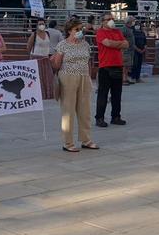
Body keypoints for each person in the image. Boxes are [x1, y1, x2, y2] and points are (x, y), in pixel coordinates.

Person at [52, 17, 98, 152]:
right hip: (67, 78)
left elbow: (88, 62)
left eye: (81, 29)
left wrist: (89, 79)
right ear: (69, 31)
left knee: (85, 110)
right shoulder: (62, 45)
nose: (79, 31)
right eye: (76, 29)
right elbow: (57, 64)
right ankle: (68, 143)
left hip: (84, 77)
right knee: (68, 111)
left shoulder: (85, 44)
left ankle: (86, 140)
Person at [95, 12, 128, 128]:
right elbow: (107, 43)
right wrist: (119, 44)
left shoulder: (117, 31)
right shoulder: (100, 32)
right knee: (103, 94)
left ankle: (116, 117)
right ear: (102, 22)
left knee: (117, 94)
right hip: (105, 66)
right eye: (108, 19)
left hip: (118, 65)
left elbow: (126, 44)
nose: (111, 20)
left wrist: (115, 44)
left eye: (112, 18)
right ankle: (99, 118)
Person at [124, 17, 147, 84]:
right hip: (134, 50)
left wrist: (144, 48)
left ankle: (138, 77)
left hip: (141, 50)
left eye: (139, 24)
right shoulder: (132, 32)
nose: (138, 25)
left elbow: (145, 41)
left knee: (139, 64)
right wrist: (137, 49)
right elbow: (131, 42)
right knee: (134, 64)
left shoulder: (142, 32)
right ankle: (133, 77)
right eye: (136, 24)